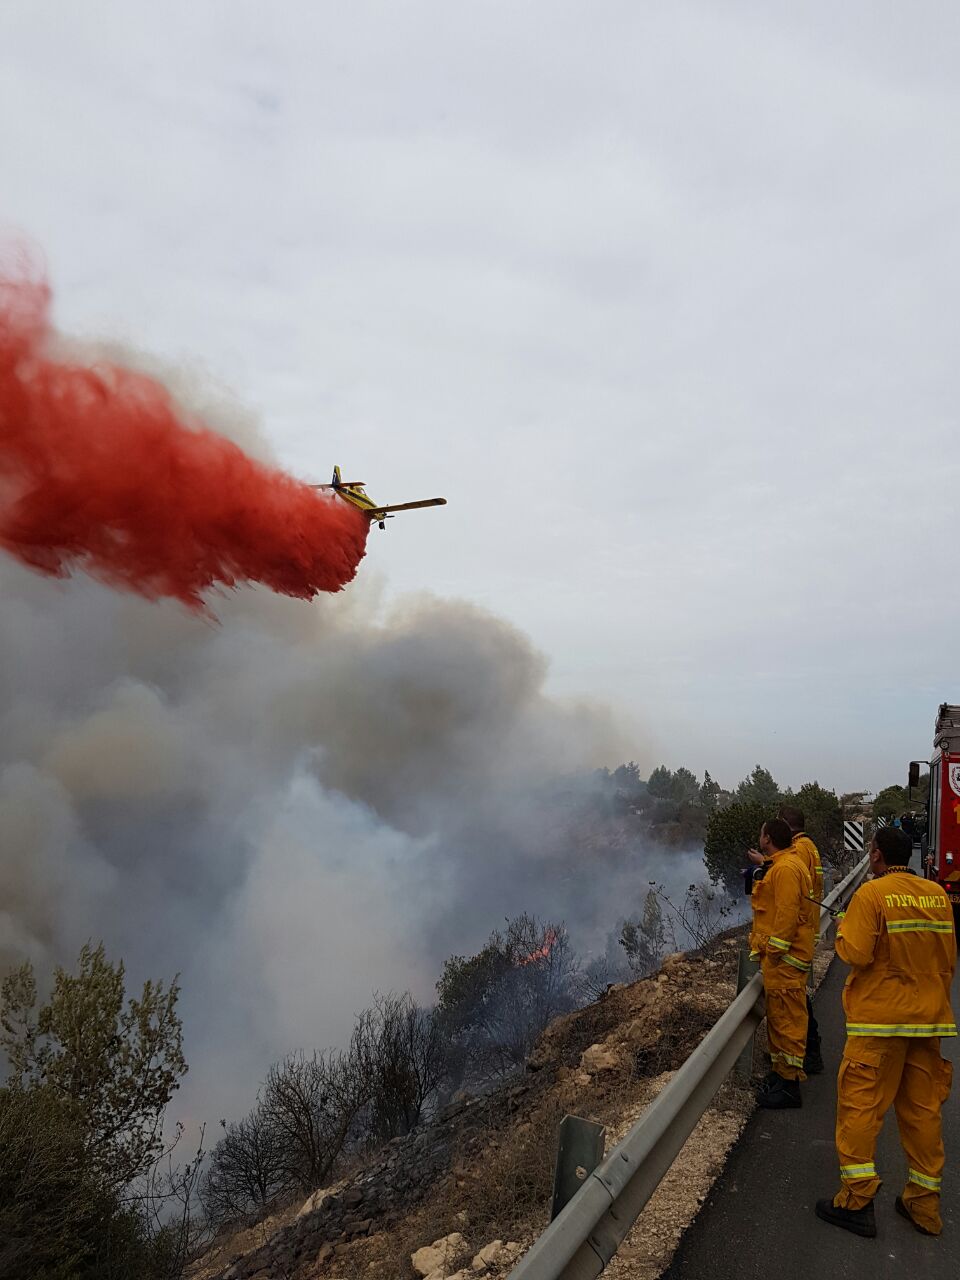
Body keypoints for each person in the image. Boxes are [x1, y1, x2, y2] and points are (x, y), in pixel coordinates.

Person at [816, 826, 957, 1238]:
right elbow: (947, 954)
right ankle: (924, 1206)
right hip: (927, 1022)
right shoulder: (937, 895)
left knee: (860, 1107)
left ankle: (856, 1201)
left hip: (880, 1024)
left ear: (875, 855)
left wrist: (843, 928)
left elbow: (856, 953)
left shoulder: (872, 895)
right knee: (922, 1112)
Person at [748, 818, 818, 1109]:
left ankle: (789, 1087)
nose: (760, 836)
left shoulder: (787, 869)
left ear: (768, 839)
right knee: (778, 1020)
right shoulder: (783, 864)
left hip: (785, 961)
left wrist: (775, 952)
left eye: (761, 833)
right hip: (781, 963)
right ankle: (780, 1076)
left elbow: (787, 914)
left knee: (788, 1022)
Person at [778, 805, 825, 1075]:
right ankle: (808, 1050)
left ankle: (809, 1052)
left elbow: (789, 885)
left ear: (785, 824)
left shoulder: (797, 850)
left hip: (796, 936)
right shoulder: (809, 845)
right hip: (807, 930)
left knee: (795, 1001)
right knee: (797, 997)